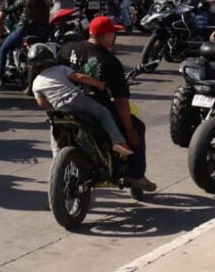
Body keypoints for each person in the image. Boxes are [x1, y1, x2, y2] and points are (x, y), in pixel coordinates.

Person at [58, 16, 156, 192]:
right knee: (137, 127)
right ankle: (136, 175)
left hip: (65, 105)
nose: (115, 37)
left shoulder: (67, 49)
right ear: (105, 35)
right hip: (96, 108)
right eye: (113, 33)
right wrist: (129, 130)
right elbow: (121, 101)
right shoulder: (109, 61)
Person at [28, 43, 133, 156]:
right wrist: (99, 84)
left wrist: (54, 105)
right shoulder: (61, 69)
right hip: (76, 99)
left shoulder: (36, 84)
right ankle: (118, 142)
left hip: (60, 108)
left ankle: (56, 154)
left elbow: (42, 103)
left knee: (55, 127)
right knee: (103, 113)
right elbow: (80, 77)